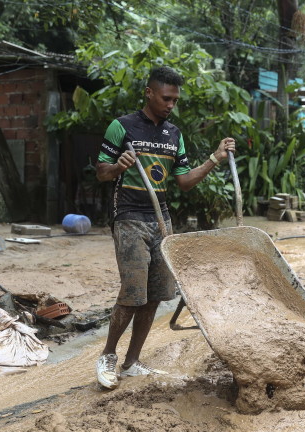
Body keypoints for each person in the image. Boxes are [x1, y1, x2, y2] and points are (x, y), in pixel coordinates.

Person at [94, 66, 236, 390]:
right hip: (129, 217)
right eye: (165, 98)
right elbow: (101, 172)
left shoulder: (174, 135)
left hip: (162, 220)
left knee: (156, 295)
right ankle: (107, 356)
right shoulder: (122, 127)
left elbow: (184, 182)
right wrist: (118, 166)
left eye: (175, 100)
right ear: (149, 93)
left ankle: (131, 363)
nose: (171, 104)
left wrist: (214, 158)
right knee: (132, 293)